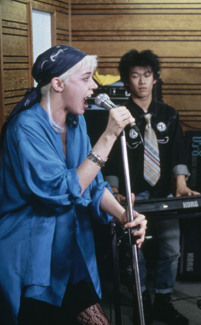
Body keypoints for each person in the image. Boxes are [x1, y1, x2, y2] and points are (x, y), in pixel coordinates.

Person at [0, 45, 147, 325]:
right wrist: (108, 137)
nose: (93, 87)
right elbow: (58, 190)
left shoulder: (75, 123)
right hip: (33, 254)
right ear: (58, 84)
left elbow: (91, 183)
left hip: (69, 248)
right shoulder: (25, 127)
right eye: (86, 78)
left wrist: (124, 215)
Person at [104, 49, 198, 325]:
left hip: (164, 194)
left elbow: (178, 152)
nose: (142, 81)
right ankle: (141, 301)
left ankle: (164, 301)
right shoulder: (118, 115)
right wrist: (114, 190)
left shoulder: (168, 114)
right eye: (135, 76)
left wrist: (181, 183)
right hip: (134, 195)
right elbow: (108, 157)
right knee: (136, 253)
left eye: (147, 75)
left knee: (171, 249)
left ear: (155, 78)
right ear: (126, 81)